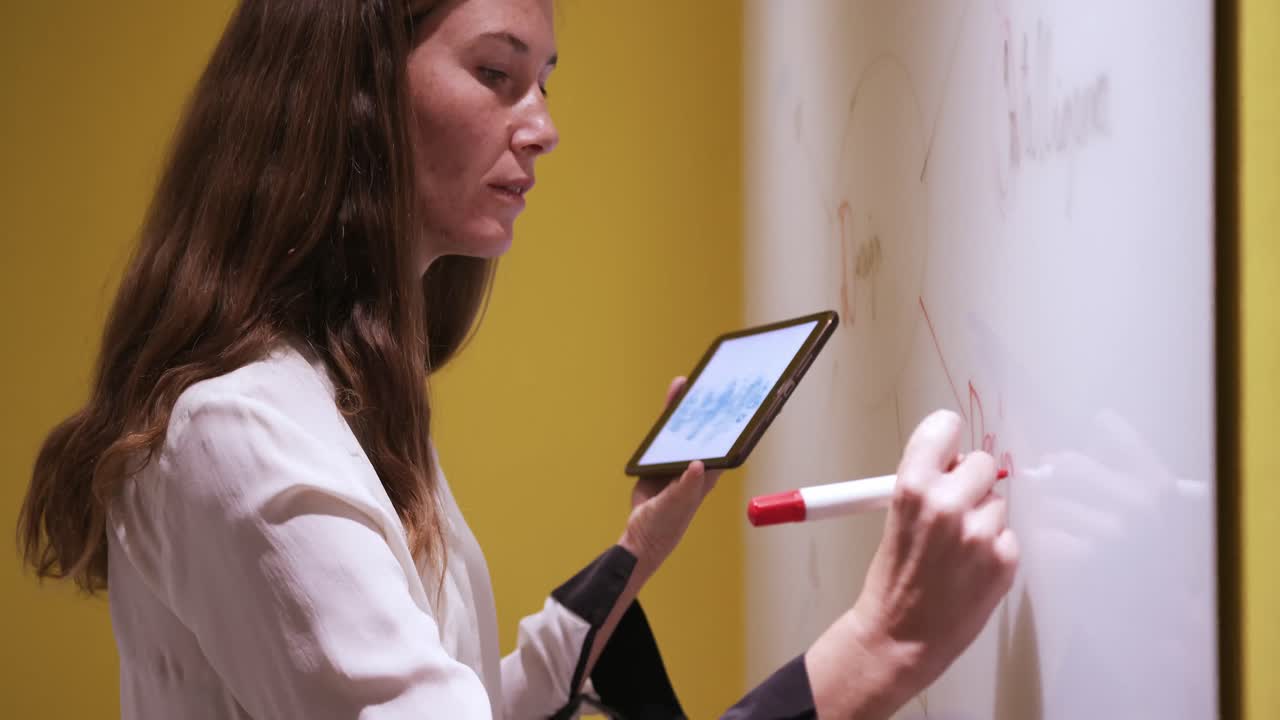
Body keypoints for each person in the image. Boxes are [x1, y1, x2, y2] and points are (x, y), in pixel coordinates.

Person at [17, 1, 1019, 718]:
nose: (541, 127)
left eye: (540, 81)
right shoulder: (242, 434)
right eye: (495, 74)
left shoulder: (340, 409)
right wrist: (874, 649)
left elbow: (449, 696)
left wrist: (636, 553)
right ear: (351, 92)